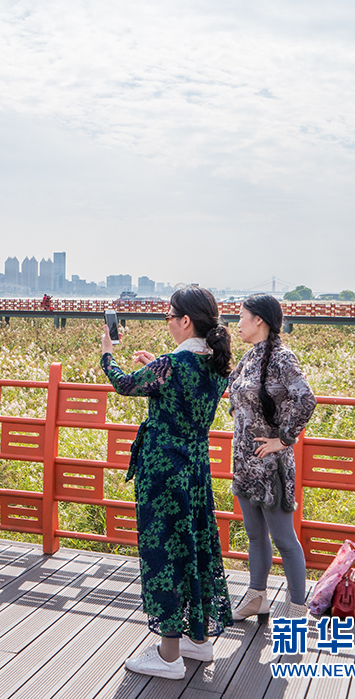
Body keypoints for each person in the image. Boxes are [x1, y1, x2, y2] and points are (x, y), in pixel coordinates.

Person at [99, 285, 234, 679]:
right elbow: (172, 388)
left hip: (163, 471)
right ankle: (198, 639)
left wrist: (108, 354)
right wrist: (155, 364)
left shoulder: (171, 365)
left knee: (164, 553)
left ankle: (169, 654)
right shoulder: (214, 363)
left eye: (169, 316)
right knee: (193, 547)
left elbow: (124, 384)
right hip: (194, 469)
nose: (168, 322)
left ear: (186, 321)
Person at [229, 294, 316, 621]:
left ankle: (297, 608)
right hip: (245, 461)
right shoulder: (250, 356)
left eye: (242, 316)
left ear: (259, 321)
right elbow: (233, 387)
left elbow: (306, 399)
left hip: (271, 466)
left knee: (284, 538)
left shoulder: (283, 358)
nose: (237, 323)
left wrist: (283, 439)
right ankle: (257, 596)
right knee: (254, 535)